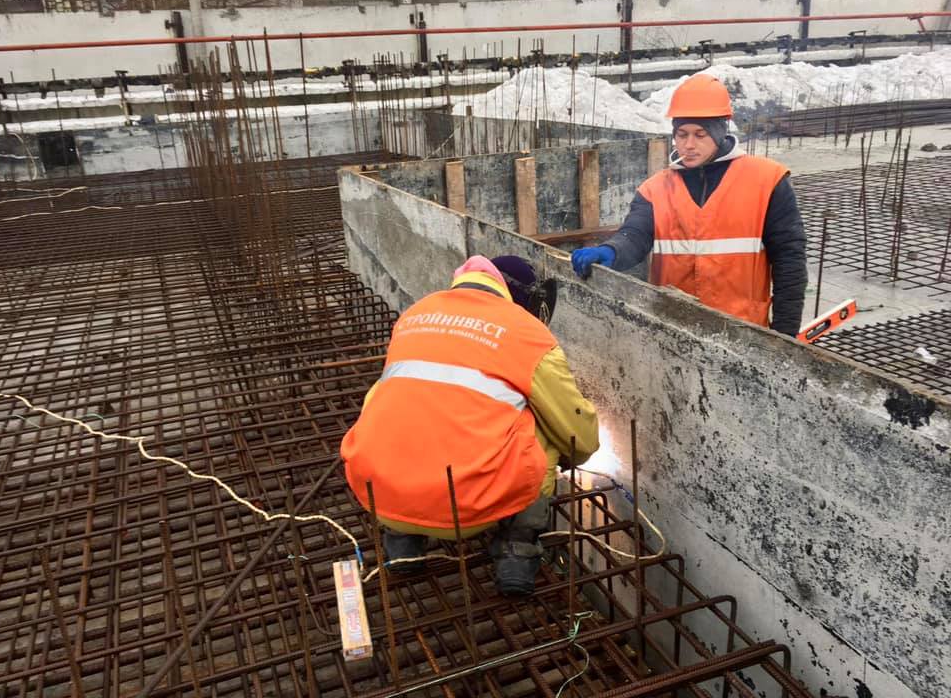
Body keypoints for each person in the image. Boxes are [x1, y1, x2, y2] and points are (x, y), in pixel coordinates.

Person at [341, 255, 599, 596]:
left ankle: (402, 542)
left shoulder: (416, 314)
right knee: (541, 423)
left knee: (393, 400)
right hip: (471, 508)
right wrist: (581, 451)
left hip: (379, 494)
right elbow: (572, 429)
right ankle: (516, 551)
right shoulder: (527, 332)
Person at [571, 73, 808, 336]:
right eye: (681, 134)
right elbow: (636, 235)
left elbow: (790, 262)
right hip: (674, 330)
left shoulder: (767, 182)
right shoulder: (655, 189)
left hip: (742, 333)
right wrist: (612, 250)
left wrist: (785, 336)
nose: (689, 145)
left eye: (700, 134)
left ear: (719, 133)